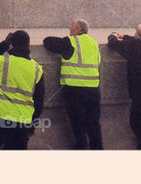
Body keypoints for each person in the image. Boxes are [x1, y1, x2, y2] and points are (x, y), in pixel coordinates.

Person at [0, 30, 45, 149]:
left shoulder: (2, 62)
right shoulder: (36, 69)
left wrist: (4, 44)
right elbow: (39, 101)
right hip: (22, 123)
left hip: (0, 120)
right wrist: (32, 125)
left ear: (12, 44)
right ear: (28, 45)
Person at [43, 19, 103, 148]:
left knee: (77, 122)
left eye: (71, 27)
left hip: (75, 89)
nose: (69, 30)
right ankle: (98, 150)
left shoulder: (71, 42)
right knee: (94, 123)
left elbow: (48, 41)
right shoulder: (93, 43)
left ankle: (81, 148)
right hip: (93, 89)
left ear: (77, 29)